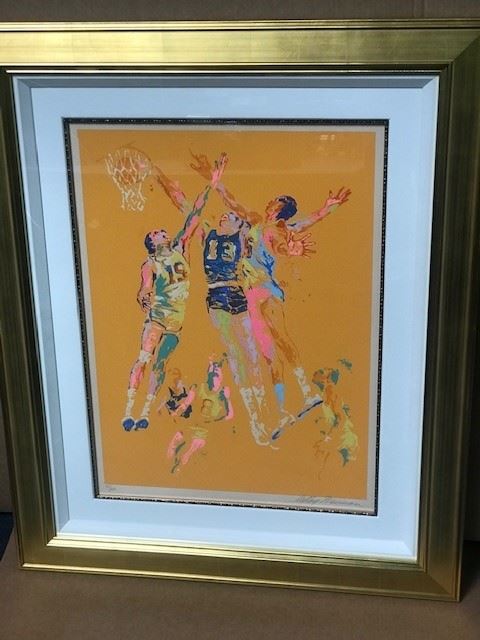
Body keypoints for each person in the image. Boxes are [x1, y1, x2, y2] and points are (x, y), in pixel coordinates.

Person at [190, 152, 350, 436]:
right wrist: (215, 181)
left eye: (275, 202)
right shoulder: (254, 222)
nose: (269, 203)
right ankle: (283, 409)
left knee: (281, 341)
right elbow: (232, 203)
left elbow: (292, 236)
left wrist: (298, 243)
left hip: (265, 290)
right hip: (249, 295)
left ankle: (305, 392)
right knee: (269, 353)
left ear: (281, 210)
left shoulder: (277, 229)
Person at [158, 166, 269, 445]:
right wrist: (208, 184)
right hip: (217, 297)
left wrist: (222, 188)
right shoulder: (207, 232)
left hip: (237, 295)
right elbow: (187, 207)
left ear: (239, 225)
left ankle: (262, 408)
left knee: (251, 353)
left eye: (231, 216)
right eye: (224, 214)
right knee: (235, 353)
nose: (225, 215)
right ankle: (254, 419)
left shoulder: (243, 237)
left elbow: (248, 216)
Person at [121, 154, 227, 431]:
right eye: (156, 232)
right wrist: (143, 295)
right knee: (144, 359)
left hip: (175, 323)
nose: (161, 231)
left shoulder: (181, 246)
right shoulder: (151, 262)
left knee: (160, 365)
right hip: (157, 318)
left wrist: (212, 184)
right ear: (152, 243)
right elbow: (144, 286)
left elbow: (195, 215)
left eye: (161, 230)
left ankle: (144, 412)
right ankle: (128, 409)